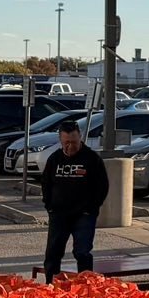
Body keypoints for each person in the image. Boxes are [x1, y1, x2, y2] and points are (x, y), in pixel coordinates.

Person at [39, 119, 108, 281]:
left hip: (84, 214)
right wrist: (49, 205)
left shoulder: (92, 159)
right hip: (59, 213)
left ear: (80, 138)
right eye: (66, 143)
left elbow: (102, 187)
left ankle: (85, 286)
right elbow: (46, 183)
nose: (70, 147)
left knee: (82, 251)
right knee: (53, 251)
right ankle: (51, 284)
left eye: (74, 142)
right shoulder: (54, 159)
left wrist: (91, 208)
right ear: (60, 141)